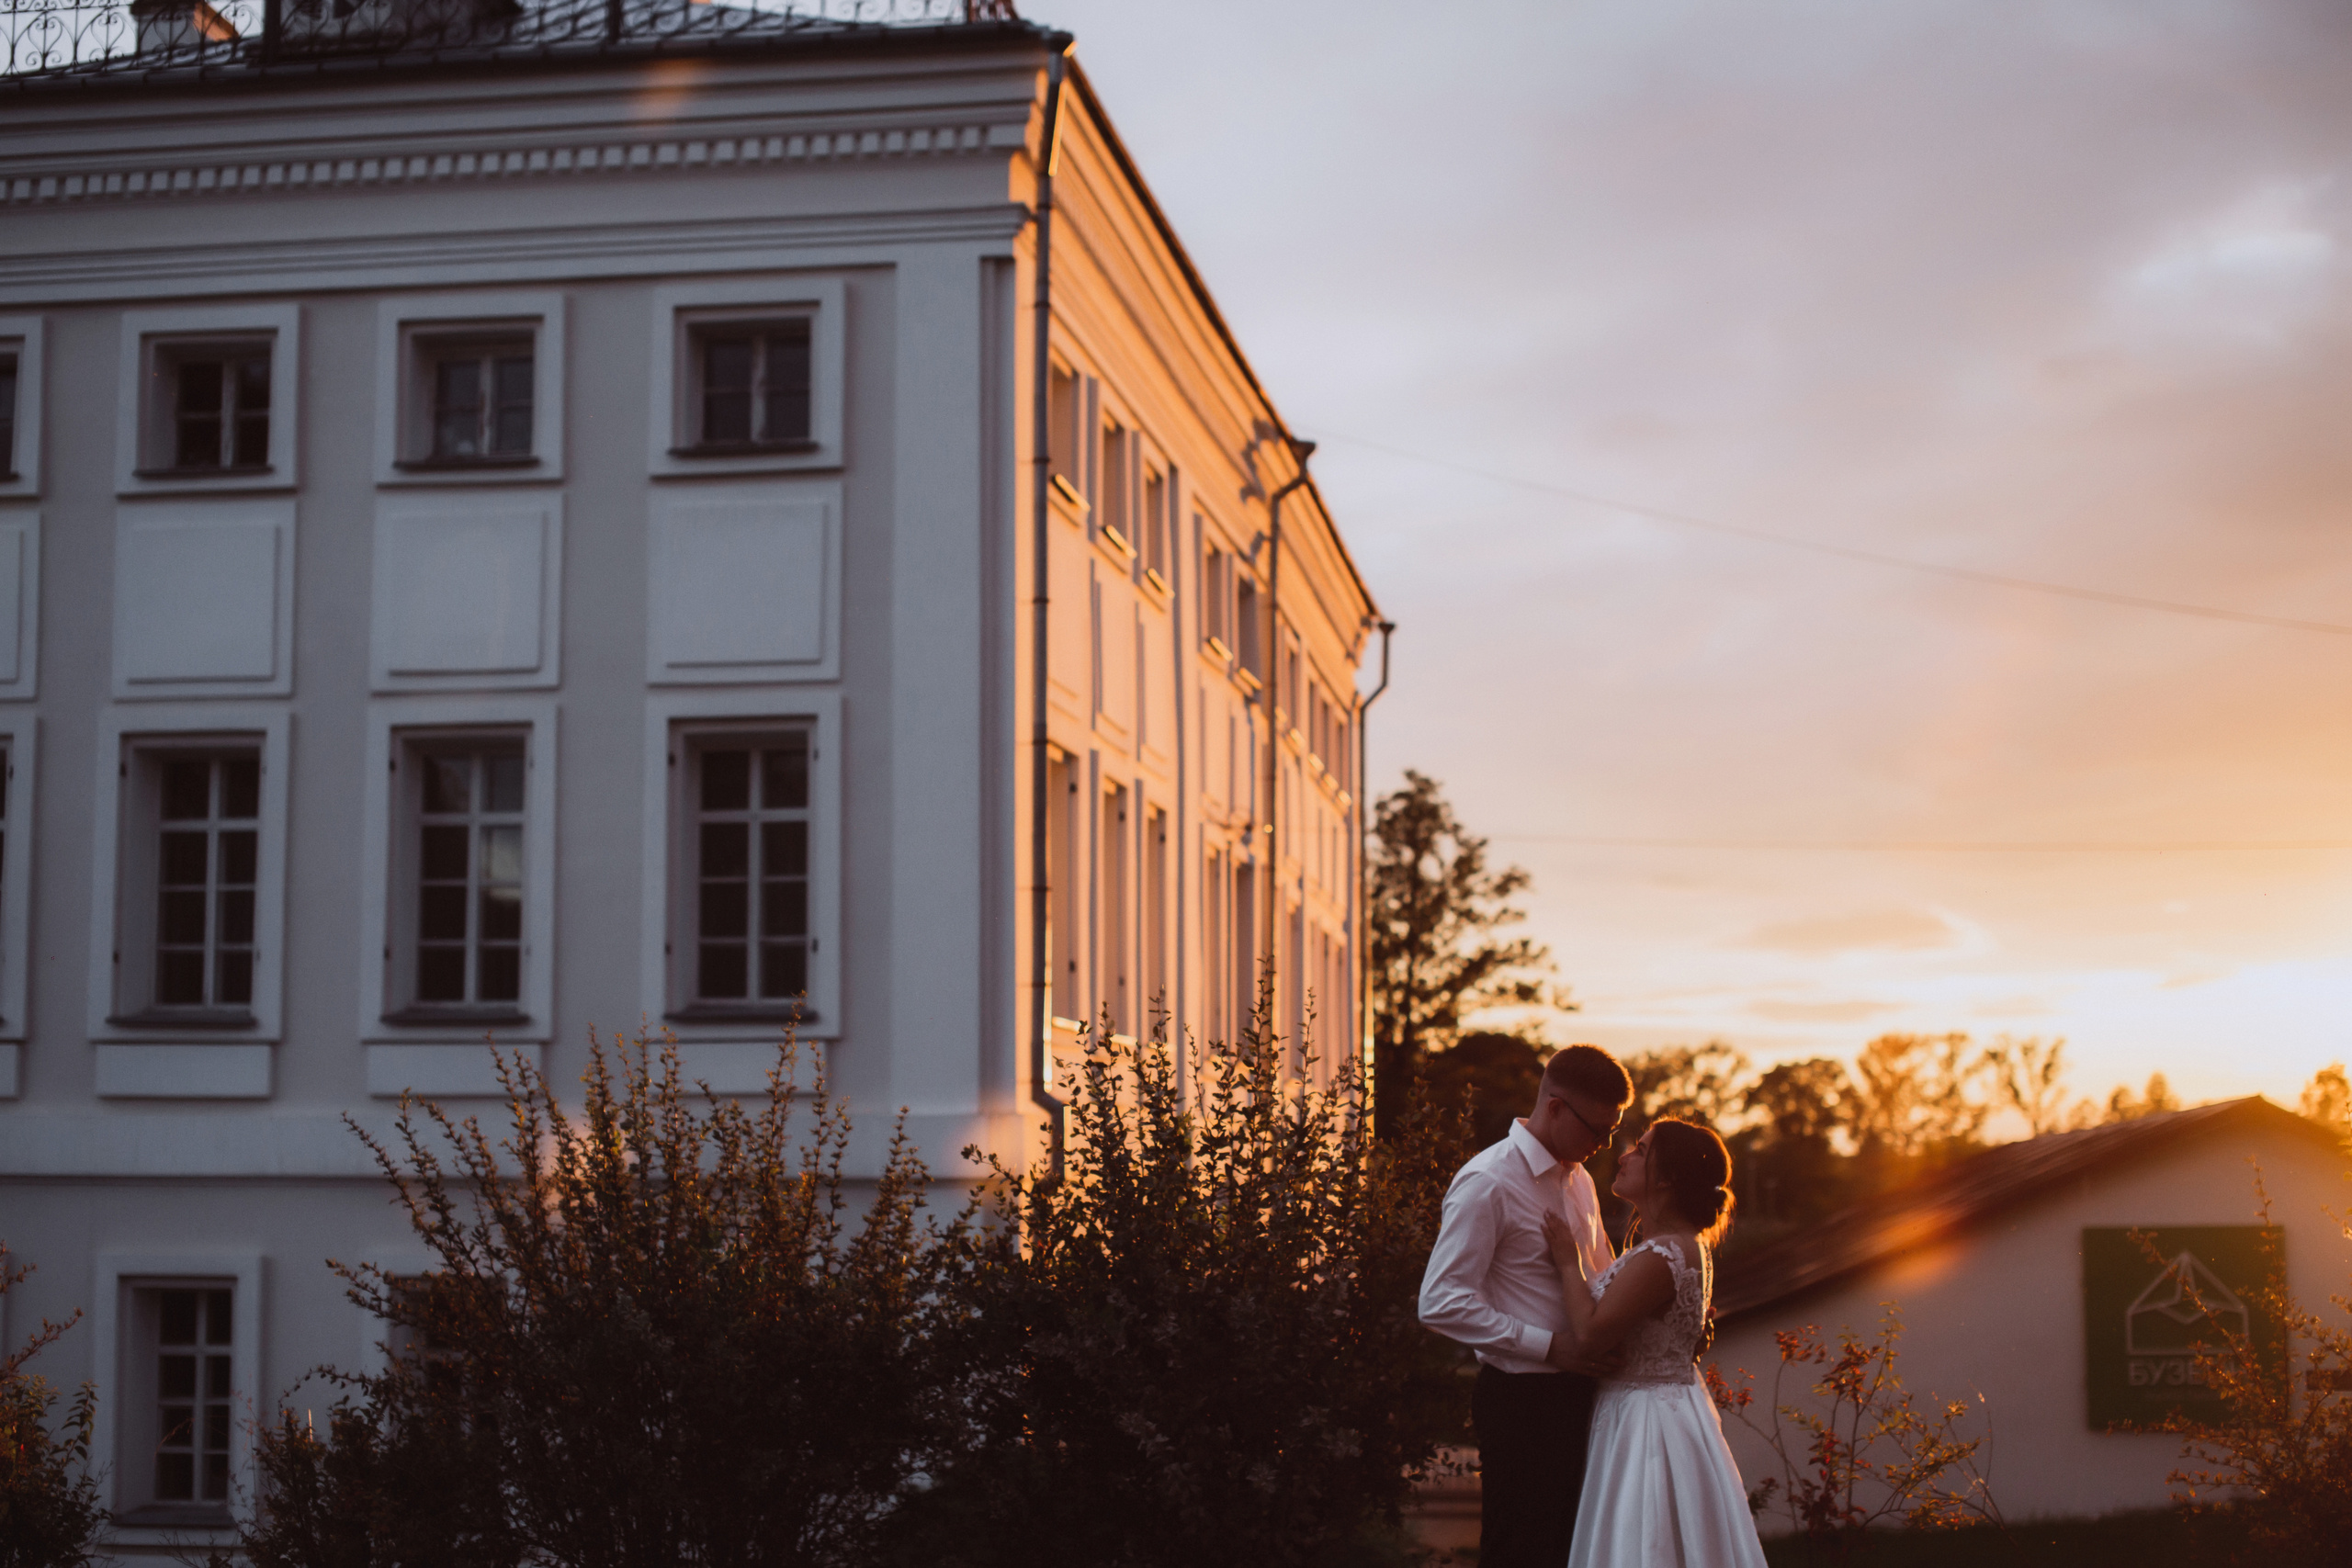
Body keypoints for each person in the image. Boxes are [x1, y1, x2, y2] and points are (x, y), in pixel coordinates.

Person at [1418, 1044, 1633, 1568]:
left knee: (1572, 1552)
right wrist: (1549, 1347)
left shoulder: (1579, 1179)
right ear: (1555, 1107)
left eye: (1611, 1132)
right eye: (1595, 1130)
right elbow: (1439, 1301)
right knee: (1522, 1552)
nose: (1604, 1146)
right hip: (1522, 1403)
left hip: (1584, 1394)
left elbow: (1600, 1275)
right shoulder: (1488, 1181)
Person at [1540, 1117, 1769, 1568]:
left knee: (1645, 1539)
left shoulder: (1661, 1254)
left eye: (1640, 1150)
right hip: (1662, 1410)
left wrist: (1568, 1262)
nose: (1624, 1155)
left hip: (1646, 1426)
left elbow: (1588, 1335)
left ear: (1666, 1178)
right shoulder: (1682, 1246)